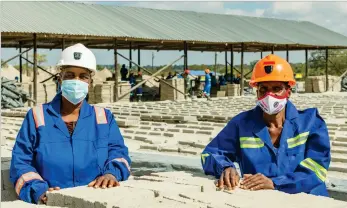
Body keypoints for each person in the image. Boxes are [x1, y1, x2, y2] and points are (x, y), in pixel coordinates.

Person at [10, 43, 131, 204]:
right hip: (53, 202)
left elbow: (119, 154)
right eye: (70, 75)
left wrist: (111, 174)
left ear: (90, 82)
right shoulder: (37, 117)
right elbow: (21, 162)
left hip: (94, 200)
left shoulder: (103, 118)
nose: (76, 81)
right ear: (60, 78)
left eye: (83, 76)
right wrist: (38, 189)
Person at [201, 54, 330, 197]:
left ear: (288, 91)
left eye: (276, 88)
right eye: (263, 89)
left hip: (309, 199)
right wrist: (225, 167)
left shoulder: (310, 122)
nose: (269, 96)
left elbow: (318, 168)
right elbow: (210, 153)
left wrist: (276, 183)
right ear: (257, 92)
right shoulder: (241, 124)